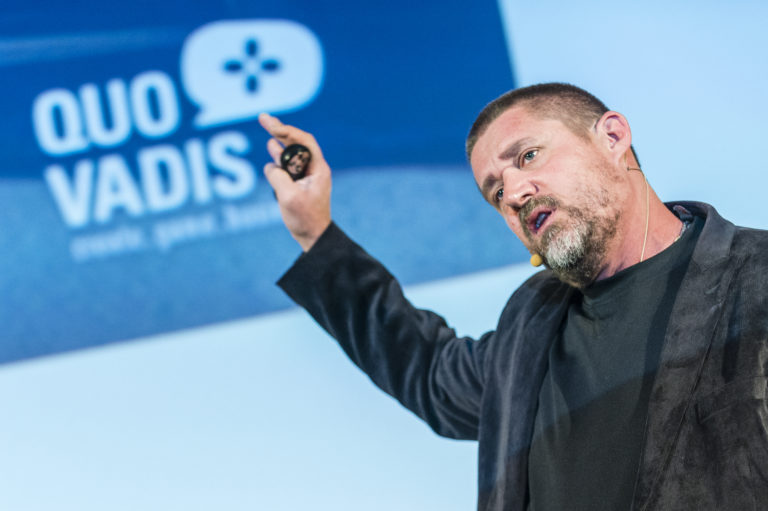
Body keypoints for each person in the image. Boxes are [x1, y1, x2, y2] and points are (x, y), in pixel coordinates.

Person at [258, 83, 768, 511]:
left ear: (613, 137)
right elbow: (428, 370)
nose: (516, 194)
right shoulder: (529, 325)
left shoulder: (755, 275)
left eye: (528, 156)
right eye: (496, 192)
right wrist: (316, 234)